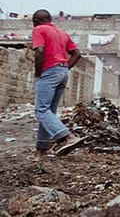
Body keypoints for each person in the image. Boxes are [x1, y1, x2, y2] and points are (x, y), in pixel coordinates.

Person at [30, 9, 84, 157]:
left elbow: (39, 51)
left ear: (36, 20)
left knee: (41, 110)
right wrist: (65, 68)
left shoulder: (39, 29)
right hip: (62, 72)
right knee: (48, 112)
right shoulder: (62, 33)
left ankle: (68, 137)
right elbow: (77, 54)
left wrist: (38, 72)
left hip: (49, 71)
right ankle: (42, 149)